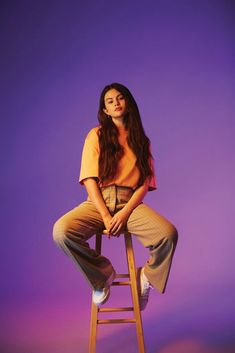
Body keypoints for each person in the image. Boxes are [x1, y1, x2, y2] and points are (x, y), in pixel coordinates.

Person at [53, 82, 178, 310]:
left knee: (168, 234)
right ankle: (102, 276)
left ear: (128, 104)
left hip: (129, 203)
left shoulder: (141, 141)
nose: (116, 103)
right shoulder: (96, 135)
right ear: (105, 111)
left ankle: (147, 276)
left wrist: (124, 213)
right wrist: (106, 215)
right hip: (98, 201)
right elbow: (90, 179)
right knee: (61, 232)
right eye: (110, 101)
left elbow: (144, 184)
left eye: (120, 98)